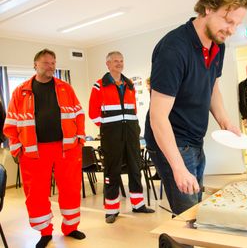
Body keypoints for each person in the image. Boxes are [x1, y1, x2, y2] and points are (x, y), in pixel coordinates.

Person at [144, 0, 247, 215]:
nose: (232, 30)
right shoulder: (174, 49)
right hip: (170, 139)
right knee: (190, 215)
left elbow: (212, 88)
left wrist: (226, 122)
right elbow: (158, 118)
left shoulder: (217, 45)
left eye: (237, 24)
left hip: (194, 138)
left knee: (195, 208)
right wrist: (178, 168)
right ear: (208, 8)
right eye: (228, 20)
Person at [3, 49, 86, 248]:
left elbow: (79, 114)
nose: (51, 66)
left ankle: (71, 227)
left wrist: (80, 140)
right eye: (46, 62)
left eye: (53, 62)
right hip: (34, 152)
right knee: (36, 194)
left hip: (66, 149)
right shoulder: (20, 91)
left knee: (70, 189)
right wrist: (17, 149)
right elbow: (10, 124)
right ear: (35, 65)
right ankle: (45, 232)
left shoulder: (65, 88)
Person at [89, 51, 154, 224]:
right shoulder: (99, 85)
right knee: (112, 171)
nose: (119, 64)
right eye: (115, 61)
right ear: (108, 64)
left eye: (121, 61)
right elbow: (93, 113)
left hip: (131, 132)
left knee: (135, 167)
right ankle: (111, 210)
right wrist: (108, 128)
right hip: (112, 134)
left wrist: (132, 127)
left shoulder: (129, 84)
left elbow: (133, 110)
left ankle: (138, 204)